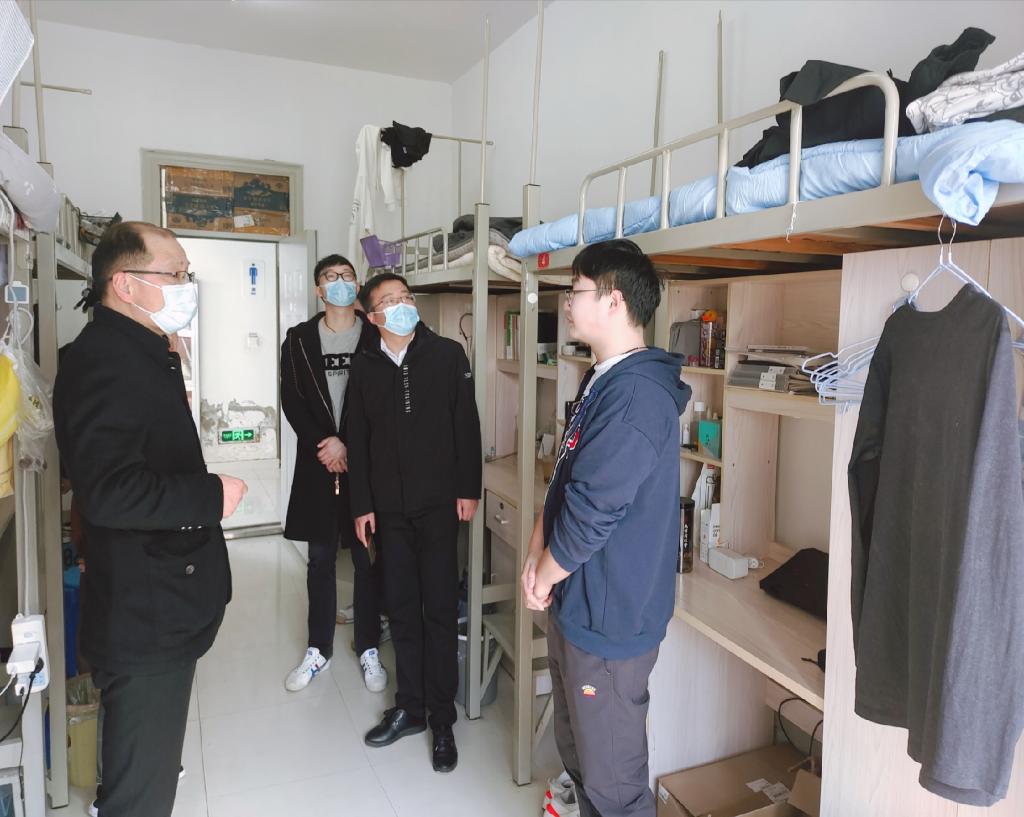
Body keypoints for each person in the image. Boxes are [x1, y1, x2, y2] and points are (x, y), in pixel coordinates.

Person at [54, 221, 247, 817]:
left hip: (160, 597)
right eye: (175, 274)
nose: (186, 285)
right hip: (146, 612)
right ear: (126, 284)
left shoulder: (142, 349)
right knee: (140, 795)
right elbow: (110, 493)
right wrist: (210, 496)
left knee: (146, 764)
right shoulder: (102, 361)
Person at [521, 239, 690, 817]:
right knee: (580, 757)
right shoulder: (604, 377)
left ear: (613, 301)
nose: (568, 302)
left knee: (614, 784)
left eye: (576, 291)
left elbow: (593, 512)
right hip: (579, 601)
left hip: (609, 616)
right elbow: (567, 477)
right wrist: (538, 553)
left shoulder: (637, 397)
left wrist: (545, 573)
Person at [346, 272, 482, 773]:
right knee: (401, 608)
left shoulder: (447, 355)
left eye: (406, 297)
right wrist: (362, 504)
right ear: (372, 316)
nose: (403, 305)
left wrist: (468, 488)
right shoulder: (365, 366)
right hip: (389, 509)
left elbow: (466, 425)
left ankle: (442, 719)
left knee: (439, 610)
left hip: (440, 504)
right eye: (390, 300)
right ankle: (411, 707)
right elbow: (357, 438)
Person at [280, 253, 387, 693]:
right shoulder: (299, 339)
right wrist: (326, 445)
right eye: (330, 276)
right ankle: (318, 649)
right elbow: (292, 399)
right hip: (319, 461)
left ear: (356, 285)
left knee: (366, 557)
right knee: (320, 558)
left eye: (346, 276)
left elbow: (381, 399)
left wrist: (349, 444)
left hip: (365, 462)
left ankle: (368, 646)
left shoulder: (375, 334)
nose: (339, 282)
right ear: (318, 289)